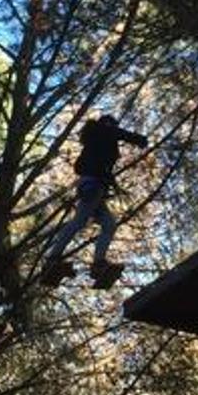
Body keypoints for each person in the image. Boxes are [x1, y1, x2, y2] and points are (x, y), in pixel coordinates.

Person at [44, 113, 148, 283]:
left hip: (93, 187)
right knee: (79, 221)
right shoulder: (104, 131)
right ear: (109, 124)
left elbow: (81, 167)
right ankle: (52, 258)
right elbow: (123, 134)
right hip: (93, 186)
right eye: (113, 125)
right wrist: (140, 140)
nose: (115, 129)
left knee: (109, 224)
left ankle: (98, 264)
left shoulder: (95, 142)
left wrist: (105, 176)